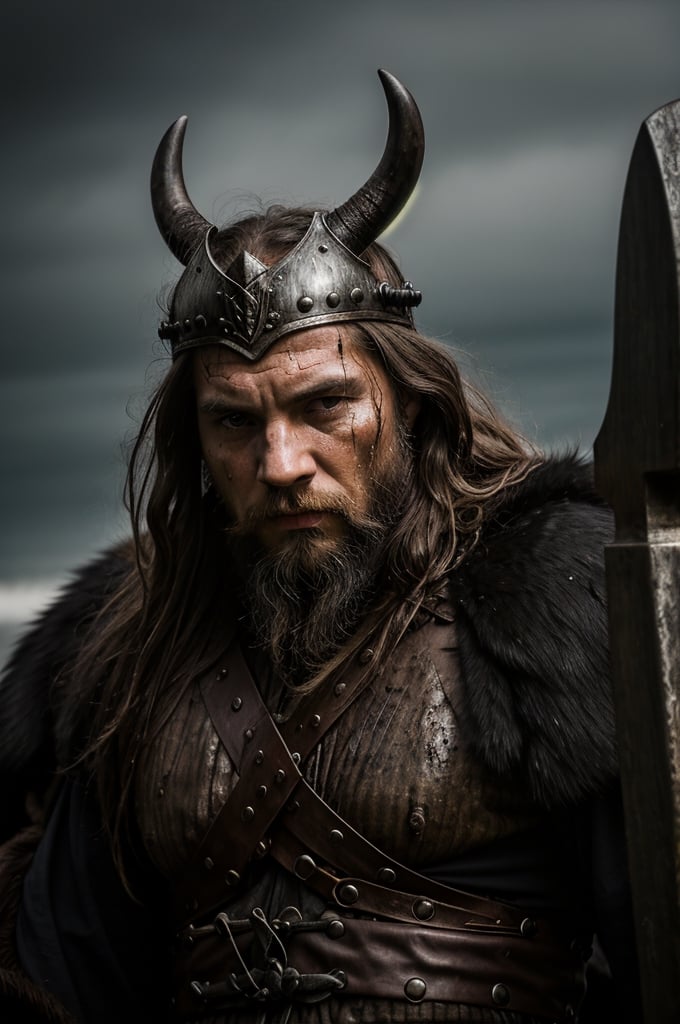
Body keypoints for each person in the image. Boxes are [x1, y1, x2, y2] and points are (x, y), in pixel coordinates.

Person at [0, 71, 640, 1023]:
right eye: (234, 422)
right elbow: (59, 978)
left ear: (411, 405)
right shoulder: (124, 652)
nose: (281, 461)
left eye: (324, 405)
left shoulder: (550, 599)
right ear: (194, 442)